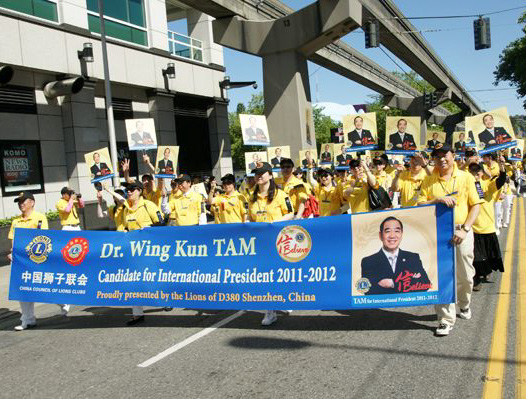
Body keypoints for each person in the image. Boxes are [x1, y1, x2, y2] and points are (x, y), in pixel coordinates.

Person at [418, 143, 483, 336]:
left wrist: (465, 229)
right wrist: (435, 200)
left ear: (453, 155)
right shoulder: (429, 180)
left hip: (462, 231)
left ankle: (464, 304)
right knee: (441, 276)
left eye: (444, 155)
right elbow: (420, 204)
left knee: (465, 275)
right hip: (438, 234)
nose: (441, 159)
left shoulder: (466, 177)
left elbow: (476, 205)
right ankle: (445, 319)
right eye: (437, 156)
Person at [8, 192, 69, 330]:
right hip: (21, 261)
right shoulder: (16, 221)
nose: (21, 204)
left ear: (32, 203)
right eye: (19, 202)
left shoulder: (39, 218)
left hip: (37, 259)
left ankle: (62, 301)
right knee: (23, 289)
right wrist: (12, 253)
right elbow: (13, 242)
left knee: (45, 285)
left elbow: (44, 238)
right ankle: (28, 320)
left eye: (24, 201)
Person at [247, 162, 294, 325]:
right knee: (265, 276)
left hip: (278, 240)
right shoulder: (251, 197)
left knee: (279, 274)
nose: (259, 176)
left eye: (262, 173)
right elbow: (250, 218)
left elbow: (290, 213)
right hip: (260, 243)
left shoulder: (281, 195)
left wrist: (275, 222)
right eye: (256, 173)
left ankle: (285, 298)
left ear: (270, 175)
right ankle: (270, 311)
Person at [122, 181, 164, 325]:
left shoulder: (148, 205)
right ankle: (137, 314)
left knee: (153, 278)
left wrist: (147, 231)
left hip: (149, 250)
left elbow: (160, 223)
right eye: (127, 190)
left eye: (132, 189)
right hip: (133, 251)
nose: (128, 192)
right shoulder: (126, 209)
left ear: (139, 191)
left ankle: (165, 299)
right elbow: (125, 227)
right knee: (133, 281)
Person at [361, 216, 431, 295]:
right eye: (387, 231)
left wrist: (393, 283)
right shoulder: (368, 261)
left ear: (401, 234)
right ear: (380, 235)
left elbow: (425, 285)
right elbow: (367, 290)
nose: (392, 236)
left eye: (397, 231)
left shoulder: (413, 258)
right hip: (382, 307)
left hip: (409, 306)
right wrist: (409, 282)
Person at [467, 160, 506, 291]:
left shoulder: (487, 185)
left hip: (487, 227)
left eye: (477, 171)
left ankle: (486, 270)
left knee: (490, 255)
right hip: (473, 228)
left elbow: (500, 181)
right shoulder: (467, 186)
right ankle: (476, 278)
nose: (474, 174)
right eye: (471, 171)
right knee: (476, 257)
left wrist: (502, 168)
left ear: (481, 173)